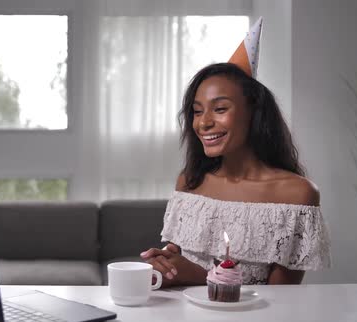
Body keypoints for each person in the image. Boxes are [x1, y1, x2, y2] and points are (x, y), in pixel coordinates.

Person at [140, 18, 331, 286]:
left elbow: (284, 304)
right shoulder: (190, 182)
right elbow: (177, 267)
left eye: (219, 109)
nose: (203, 122)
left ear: (254, 113)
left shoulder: (296, 195)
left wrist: (200, 276)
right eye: (197, 111)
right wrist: (164, 267)